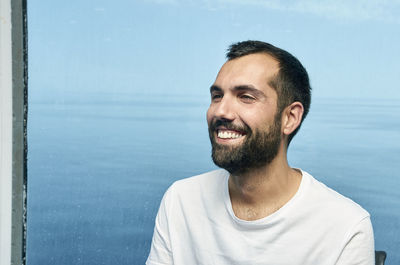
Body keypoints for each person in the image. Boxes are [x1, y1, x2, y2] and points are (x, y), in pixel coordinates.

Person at [146, 40, 374, 265]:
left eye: (246, 97)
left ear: (289, 118)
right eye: (217, 96)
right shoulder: (181, 200)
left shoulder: (346, 227)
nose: (221, 111)